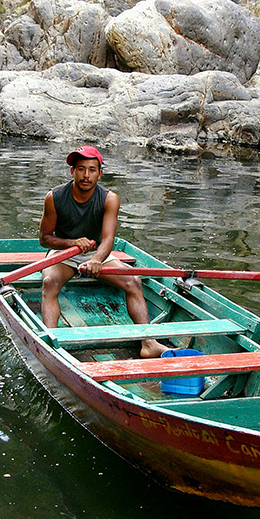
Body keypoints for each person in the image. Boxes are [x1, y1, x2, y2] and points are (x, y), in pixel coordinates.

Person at [39, 145, 169, 359]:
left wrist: (97, 259)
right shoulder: (54, 197)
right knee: (49, 283)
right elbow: (44, 239)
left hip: (98, 254)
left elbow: (108, 239)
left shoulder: (109, 198)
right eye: (80, 169)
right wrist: (72, 243)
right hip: (63, 254)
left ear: (100, 173)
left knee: (134, 282)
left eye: (92, 170)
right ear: (72, 172)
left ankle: (149, 343)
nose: (86, 175)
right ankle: (52, 342)